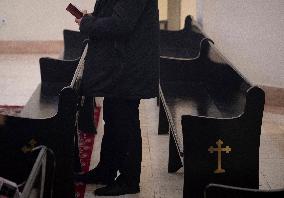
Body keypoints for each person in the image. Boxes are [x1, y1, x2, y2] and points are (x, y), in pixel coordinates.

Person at [74, 0, 159, 196]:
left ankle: (129, 180)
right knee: (113, 116)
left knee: (125, 120)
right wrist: (91, 19)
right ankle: (106, 169)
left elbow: (121, 24)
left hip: (129, 65)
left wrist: (87, 24)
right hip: (121, 63)